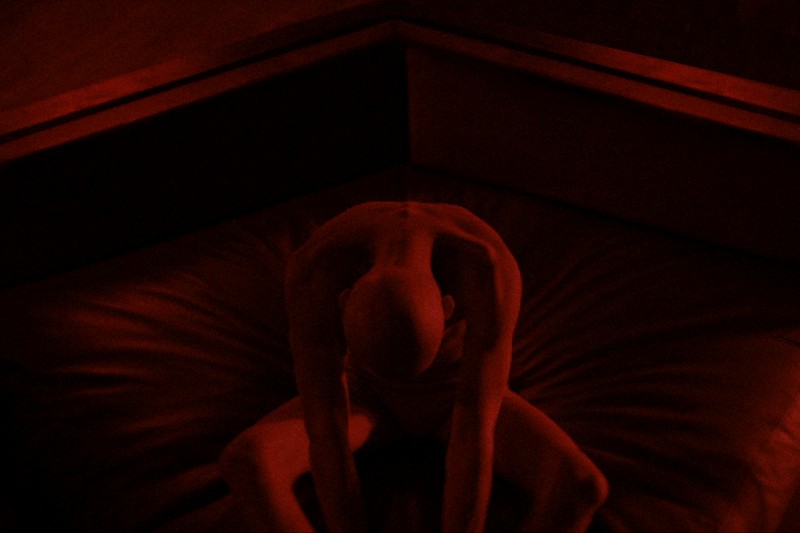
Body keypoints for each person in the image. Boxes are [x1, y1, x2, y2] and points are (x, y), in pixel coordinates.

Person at [220, 201, 608, 533]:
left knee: (581, 487)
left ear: (448, 306)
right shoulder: (316, 267)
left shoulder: (486, 263)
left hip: (453, 395)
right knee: (248, 460)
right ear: (345, 299)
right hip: (364, 396)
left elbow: (474, 423)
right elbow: (326, 426)